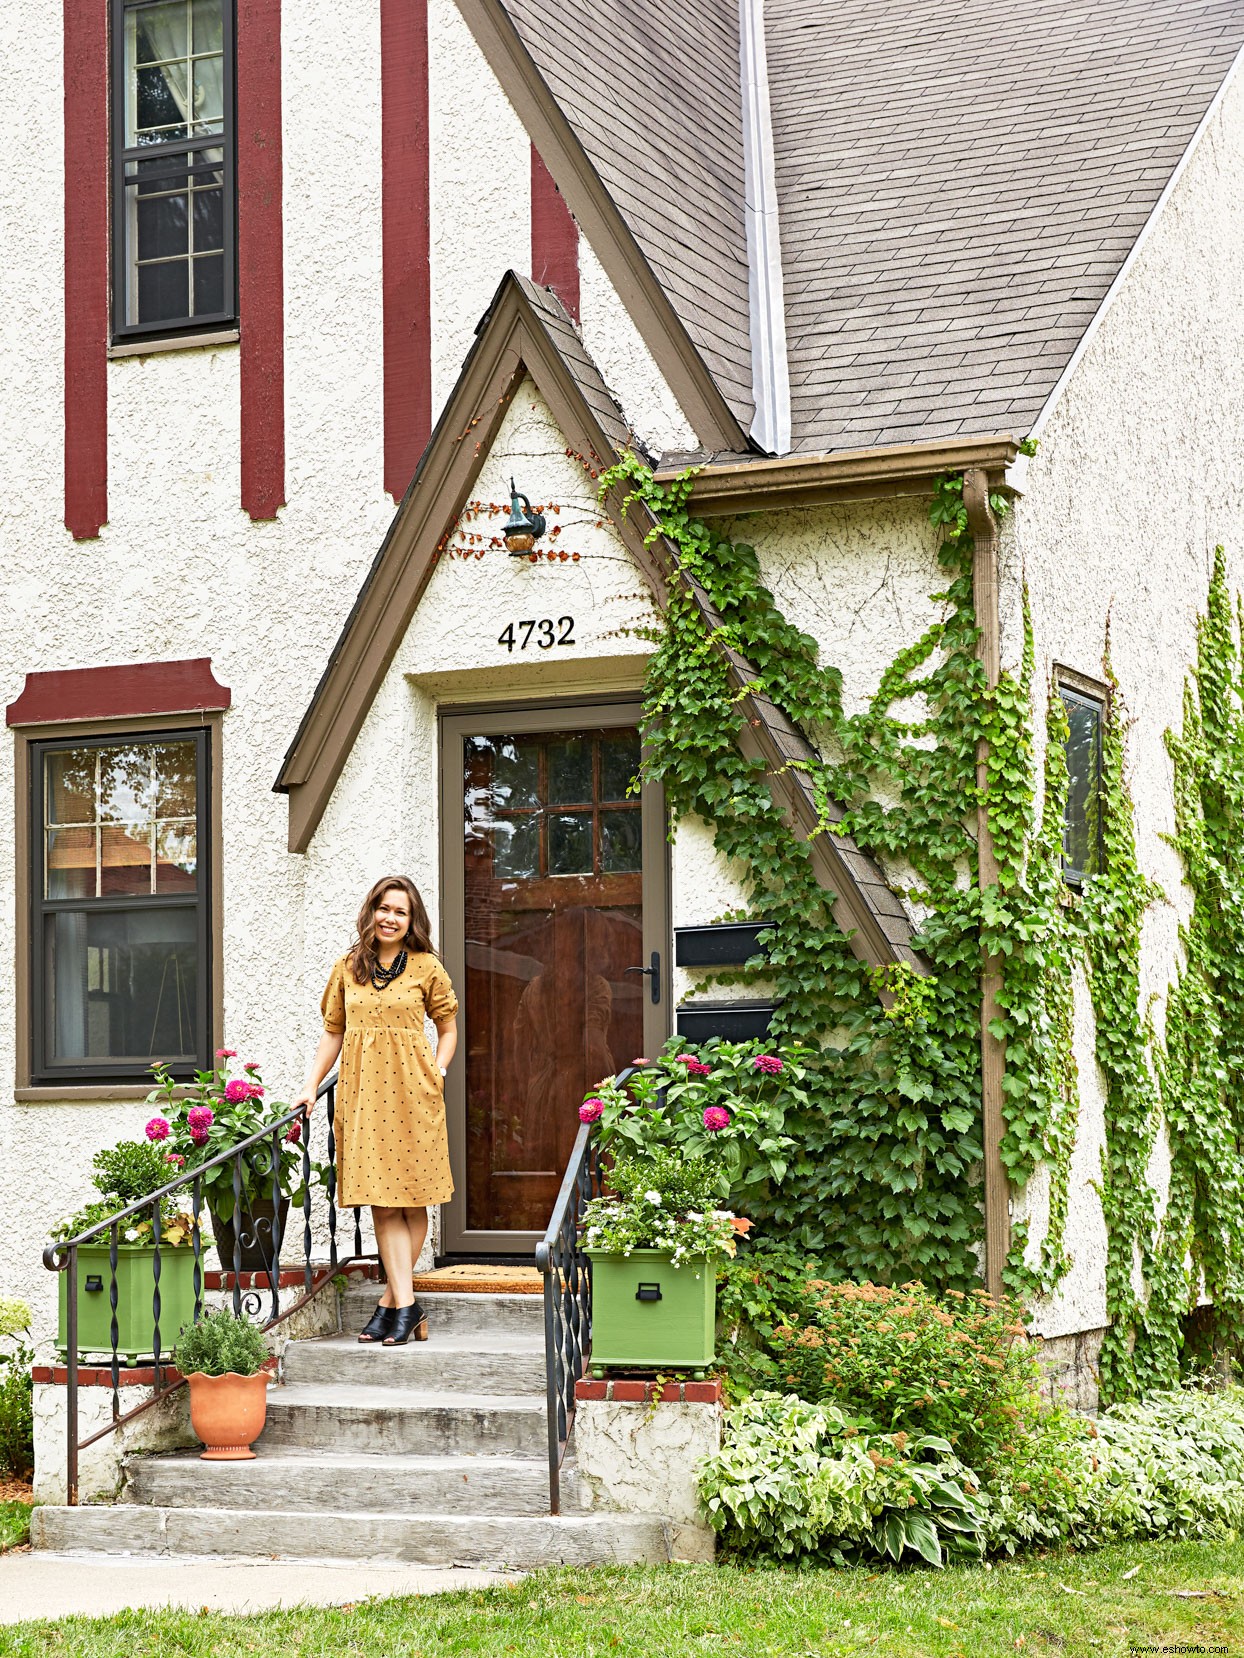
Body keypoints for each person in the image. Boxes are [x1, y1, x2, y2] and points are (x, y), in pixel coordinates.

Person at [295, 876, 458, 1346]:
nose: (391, 917)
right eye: (384, 908)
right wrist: (310, 1086)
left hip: (415, 1093)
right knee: (381, 1201)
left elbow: (447, 1029)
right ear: (371, 911)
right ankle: (406, 1306)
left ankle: (393, 1304)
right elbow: (333, 1032)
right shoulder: (347, 968)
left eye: (401, 912)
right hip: (364, 1094)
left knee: (412, 1198)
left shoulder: (428, 967)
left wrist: (438, 1072)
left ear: (412, 921)